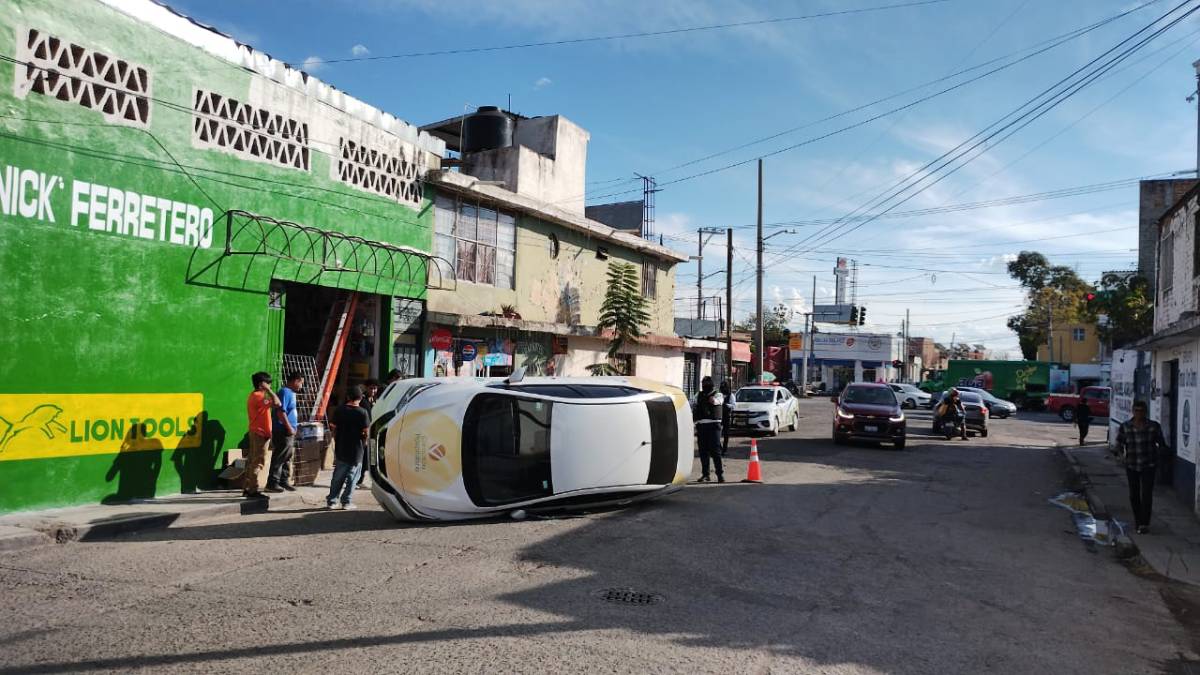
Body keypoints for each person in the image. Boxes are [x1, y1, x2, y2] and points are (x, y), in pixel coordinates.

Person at [1115, 400, 1168, 534]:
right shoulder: (1125, 426)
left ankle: (1144, 523)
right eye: (1136, 411)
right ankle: (1138, 520)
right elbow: (1119, 445)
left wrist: (1161, 455)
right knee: (1134, 495)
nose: (1139, 414)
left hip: (1148, 465)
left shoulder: (1153, 426)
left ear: (1146, 412)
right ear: (1133, 411)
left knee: (1147, 494)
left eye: (1142, 411)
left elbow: (1161, 443)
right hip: (1132, 465)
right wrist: (1121, 456)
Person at [326, 385, 371, 510]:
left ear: (348, 397)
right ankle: (346, 502)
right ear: (360, 398)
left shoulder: (340, 410)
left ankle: (332, 501)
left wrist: (336, 439)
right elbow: (366, 431)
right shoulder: (363, 412)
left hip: (341, 447)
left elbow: (333, 427)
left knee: (338, 476)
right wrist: (365, 443)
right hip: (357, 449)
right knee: (353, 477)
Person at [244, 371, 282, 499]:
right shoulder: (260, 396)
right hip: (260, 433)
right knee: (258, 462)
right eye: (268, 383)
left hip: (255, 431)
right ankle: (253, 491)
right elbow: (278, 403)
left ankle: (247, 488)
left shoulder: (253, 395)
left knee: (252, 461)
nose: (270, 385)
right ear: (262, 384)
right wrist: (269, 391)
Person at [266, 372, 303, 493]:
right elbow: (281, 412)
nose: (301, 386)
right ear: (295, 381)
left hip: (289, 430)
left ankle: (283, 480)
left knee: (287, 456)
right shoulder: (285, 392)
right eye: (301, 382)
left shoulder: (291, 394)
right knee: (280, 456)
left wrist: (294, 427)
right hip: (283, 430)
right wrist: (289, 427)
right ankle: (272, 482)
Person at [692, 376, 725, 483]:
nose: (704, 385)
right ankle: (706, 474)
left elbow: (717, 401)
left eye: (706, 383)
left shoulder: (718, 394)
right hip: (701, 426)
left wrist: (711, 399)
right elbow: (691, 403)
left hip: (714, 426)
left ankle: (720, 474)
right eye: (703, 383)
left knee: (715, 452)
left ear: (711, 384)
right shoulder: (699, 394)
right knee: (703, 452)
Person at [356, 379, 380, 488]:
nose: (373, 390)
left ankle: (360, 479)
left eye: (375, 388)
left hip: (372, 433)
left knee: (368, 459)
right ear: (366, 388)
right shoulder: (363, 400)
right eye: (371, 388)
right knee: (362, 458)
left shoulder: (374, 400)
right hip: (363, 433)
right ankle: (357, 480)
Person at [719, 380, 733, 457]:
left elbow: (733, 405)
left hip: (727, 416)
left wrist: (726, 405)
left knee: (726, 434)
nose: (723, 388)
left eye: (724, 387)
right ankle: (719, 448)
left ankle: (724, 449)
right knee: (717, 433)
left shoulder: (731, 395)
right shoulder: (719, 395)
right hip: (719, 416)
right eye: (722, 387)